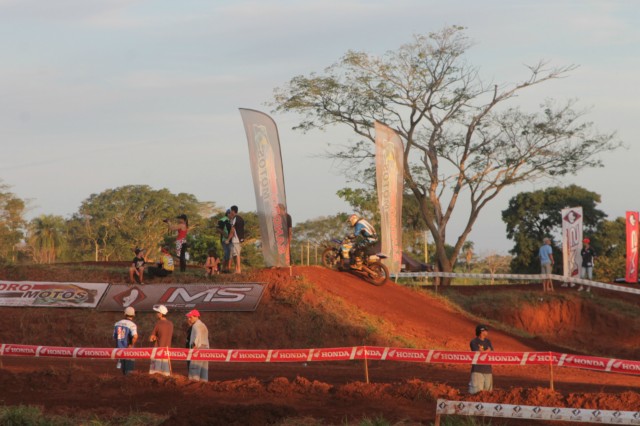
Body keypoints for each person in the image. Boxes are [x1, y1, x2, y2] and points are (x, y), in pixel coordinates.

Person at [149, 304, 174, 376]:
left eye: (157, 313)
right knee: (166, 374)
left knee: (155, 373)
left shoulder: (158, 323)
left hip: (158, 351)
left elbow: (151, 338)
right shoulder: (171, 324)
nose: (156, 314)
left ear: (160, 314)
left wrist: (153, 338)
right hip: (167, 351)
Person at [469, 324, 494, 394]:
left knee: (488, 394)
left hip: (488, 370)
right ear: (481, 331)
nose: (487, 332)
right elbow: (477, 352)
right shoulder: (474, 342)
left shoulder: (488, 341)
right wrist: (487, 351)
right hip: (477, 370)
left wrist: (483, 351)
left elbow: (492, 352)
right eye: (485, 330)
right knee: (476, 393)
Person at [186, 309, 210, 382]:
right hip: (206, 349)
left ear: (196, 316)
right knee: (204, 371)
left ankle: (192, 387)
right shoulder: (203, 325)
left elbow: (197, 335)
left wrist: (195, 345)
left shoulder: (195, 326)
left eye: (191, 317)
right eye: (189, 317)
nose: (189, 319)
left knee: (194, 370)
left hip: (198, 349)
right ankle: (204, 386)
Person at [113, 306, 138, 376]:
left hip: (119, 350)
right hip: (129, 350)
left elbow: (115, 337)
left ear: (125, 314)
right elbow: (135, 336)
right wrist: (131, 345)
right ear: (133, 315)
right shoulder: (132, 325)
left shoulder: (117, 323)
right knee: (129, 372)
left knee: (122, 371)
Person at [226, 206, 245, 274]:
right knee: (235, 255)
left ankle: (238, 270)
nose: (230, 212)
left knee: (237, 255)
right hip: (238, 239)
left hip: (236, 240)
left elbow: (232, 230)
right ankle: (236, 269)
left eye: (231, 211)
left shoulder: (235, 218)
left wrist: (228, 239)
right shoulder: (241, 218)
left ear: (233, 211)